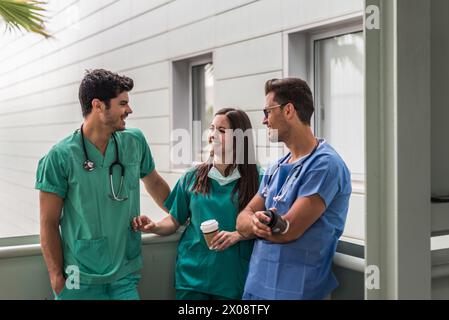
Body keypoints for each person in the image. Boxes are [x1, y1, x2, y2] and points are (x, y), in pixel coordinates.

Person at [36, 69, 170, 300]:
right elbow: (48, 223)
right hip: (78, 275)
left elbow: (155, 182)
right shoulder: (60, 156)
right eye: (123, 103)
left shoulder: (134, 141)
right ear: (98, 106)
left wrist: (181, 216)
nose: (129, 110)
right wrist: (57, 278)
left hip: (124, 273)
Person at [236, 78, 352, 300]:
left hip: (298, 291)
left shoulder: (325, 165)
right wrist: (254, 223)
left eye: (267, 111)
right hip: (257, 288)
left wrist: (257, 225)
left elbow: (289, 230)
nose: (264, 120)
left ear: (288, 110)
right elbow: (241, 220)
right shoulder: (276, 167)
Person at [133, 108, 262, 300]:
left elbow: (264, 225)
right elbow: (175, 219)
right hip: (192, 277)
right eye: (212, 129)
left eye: (221, 130)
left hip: (234, 279)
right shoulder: (193, 176)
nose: (212, 135)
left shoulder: (257, 179)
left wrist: (239, 235)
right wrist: (155, 226)